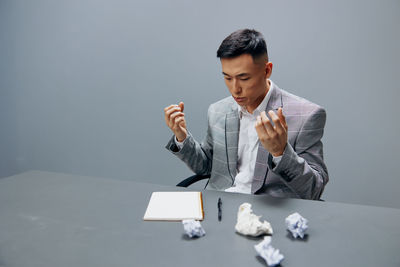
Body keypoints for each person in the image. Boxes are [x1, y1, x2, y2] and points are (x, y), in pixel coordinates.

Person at [164, 29, 328, 200]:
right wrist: (182, 137)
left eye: (244, 78)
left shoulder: (306, 115)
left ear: (267, 70)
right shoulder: (218, 110)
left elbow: (314, 190)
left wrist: (281, 152)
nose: (235, 89)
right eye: (227, 78)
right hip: (220, 206)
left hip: (270, 214)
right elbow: (206, 168)